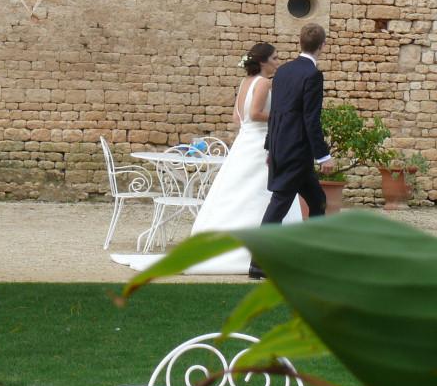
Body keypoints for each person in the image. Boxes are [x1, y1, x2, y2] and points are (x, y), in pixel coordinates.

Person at [110, 41, 302, 275]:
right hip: (259, 146)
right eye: (274, 59)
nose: (277, 63)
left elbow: (237, 117)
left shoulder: (245, 82)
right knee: (265, 194)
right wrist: (282, 115)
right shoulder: (262, 82)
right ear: (262, 62)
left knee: (239, 193)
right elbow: (255, 114)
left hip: (244, 143)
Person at [250, 23, 332, 280]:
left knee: (317, 199)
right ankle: (258, 264)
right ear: (322, 46)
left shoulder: (283, 71)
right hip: (298, 151)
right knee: (280, 204)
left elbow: (277, 114)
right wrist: (324, 155)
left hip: (284, 148)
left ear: (300, 42)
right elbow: (311, 119)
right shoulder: (312, 75)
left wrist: (270, 147)